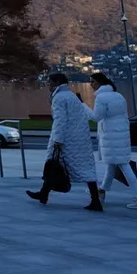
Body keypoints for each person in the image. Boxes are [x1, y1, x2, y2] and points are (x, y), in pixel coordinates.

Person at [27, 72, 102, 210]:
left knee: (52, 163)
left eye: (49, 82)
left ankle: (44, 194)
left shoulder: (59, 98)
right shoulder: (71, 96)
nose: (48, 84)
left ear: (56, 83)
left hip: (66, 139)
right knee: (86, 169)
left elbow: (60, 121)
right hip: (79, 139)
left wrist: (58, 140)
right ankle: (95, 200)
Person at [89, 72, 137, 211]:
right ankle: (102, 192)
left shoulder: (101, 98)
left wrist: (83, 107)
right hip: (120, 135)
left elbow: (96, 117)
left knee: (123, 166)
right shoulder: (118, 96)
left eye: (92, 82)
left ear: (99, 82)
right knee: (112, 165)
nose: (91, 84)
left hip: (111, 136)